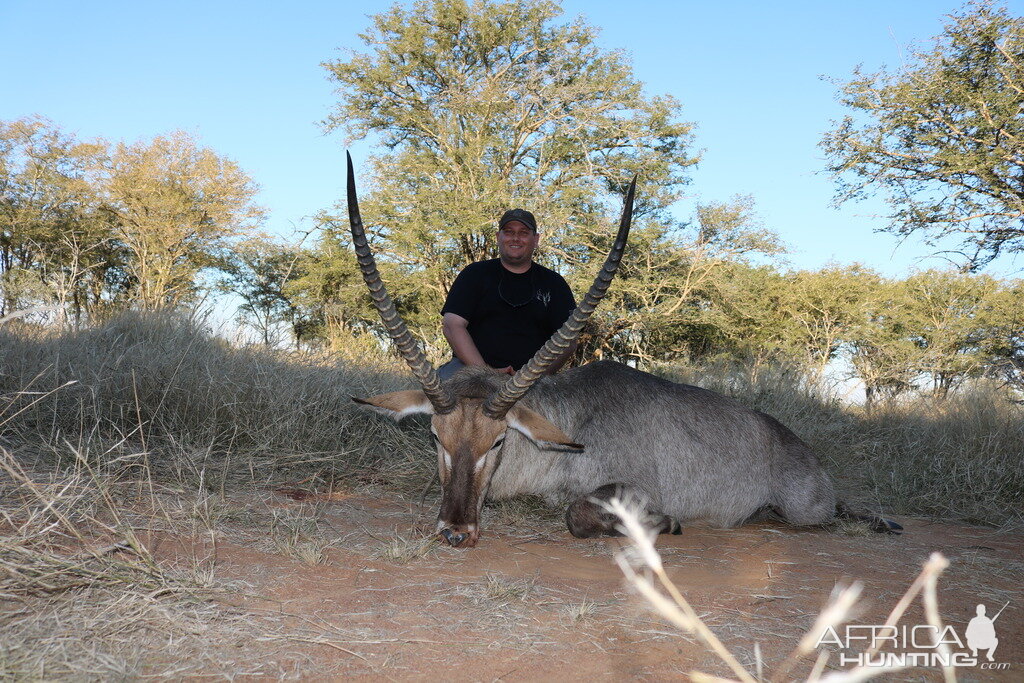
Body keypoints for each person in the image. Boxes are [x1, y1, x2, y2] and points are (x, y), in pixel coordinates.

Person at [438, 208, 576, 380]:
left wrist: (531, 377)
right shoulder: (474, 274)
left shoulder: (555, 284)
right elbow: (452, 326)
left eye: (523, 233)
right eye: (508, 232)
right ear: (498, 237)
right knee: (444, 394)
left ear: (536, 239)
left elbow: (568, 341)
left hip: (532, 379)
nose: (515, 238)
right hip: (472, 371)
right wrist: (485, 373)